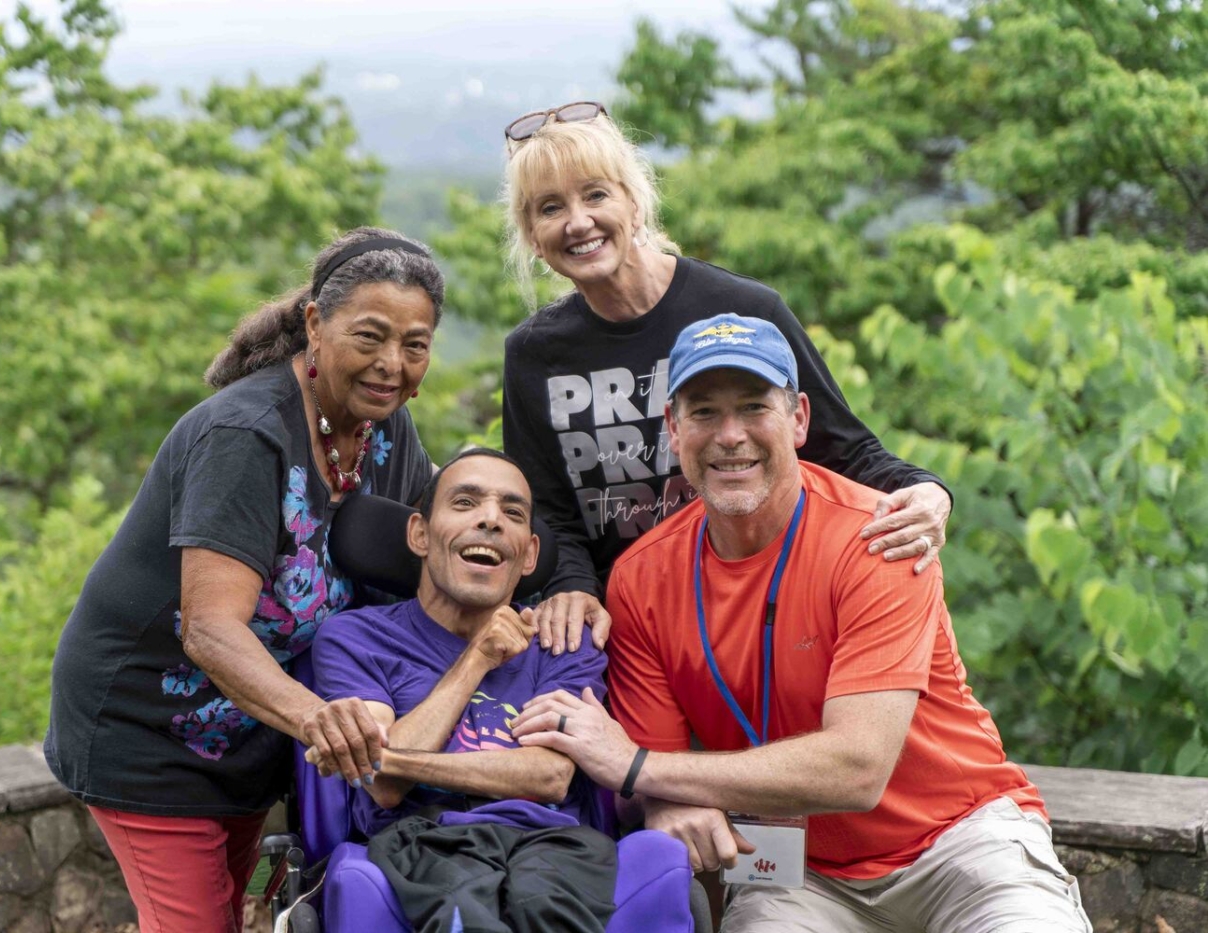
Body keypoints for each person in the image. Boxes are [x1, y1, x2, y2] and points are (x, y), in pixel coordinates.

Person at [512, 314, 1092, 932]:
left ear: (799, 420)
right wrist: (659, 793)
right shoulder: (640, 579)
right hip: (795, 872)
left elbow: (857, 767)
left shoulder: (878, 537)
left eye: (755, 407)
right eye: (704, 412)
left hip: (957, 840)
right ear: (674, 431)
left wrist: (636, 767)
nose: (730, 435)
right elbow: (668, 787)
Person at [44, 227, 445, 932]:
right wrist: (318, 716)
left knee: (236, 912)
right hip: (149, 734)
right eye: (371, 337)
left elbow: (435, 553)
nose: (392, 365)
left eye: (415, 345)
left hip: (255, 735)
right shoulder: (246, 435)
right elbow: (209, 625)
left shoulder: (390, 430)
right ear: (316, 325)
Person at [499, 102, 952, 654]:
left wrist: (928, 492)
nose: (578, 221)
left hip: (764, 608)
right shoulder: (533, 354)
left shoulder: (740, 308)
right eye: (551, 208)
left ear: (635, 203)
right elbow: (546, 508)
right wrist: (570, 585)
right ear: (532, 233)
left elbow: (837, 445)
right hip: (631, 630)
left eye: (596, 195)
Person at [310, 449, 616, 932]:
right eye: (465, 503)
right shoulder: (355, 638)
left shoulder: (564, 642)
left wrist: (392, 760)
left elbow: (549, 776)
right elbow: (386, 788)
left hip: (555, 841)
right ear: (420, 534)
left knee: (550, 906)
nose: (490, 520)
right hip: (424, 836)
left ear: (530, 553)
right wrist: (478, 658)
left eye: (512, 512)